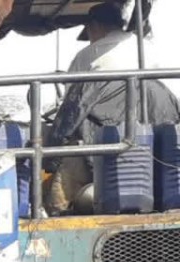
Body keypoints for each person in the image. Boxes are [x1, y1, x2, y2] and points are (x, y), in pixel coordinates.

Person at [45, 2, 180, 214]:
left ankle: (58, 217)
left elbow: (71, 109)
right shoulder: (151, 51)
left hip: (100, 149)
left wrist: (50, 157)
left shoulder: (87, 56)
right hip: (158, 148)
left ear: (95, 26)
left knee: (61, 182)